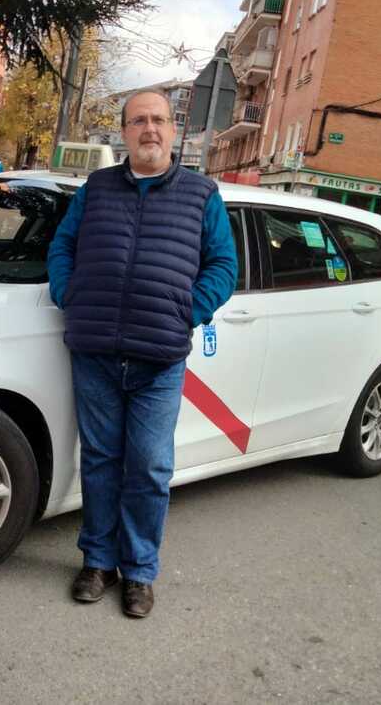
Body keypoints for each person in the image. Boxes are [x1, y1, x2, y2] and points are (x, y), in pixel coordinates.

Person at [46, 90, 238, 618]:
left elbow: (223, 266)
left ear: (173, 130)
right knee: (102, 462)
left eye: (157, 120)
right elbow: (62, 246)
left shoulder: (202, 194)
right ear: (124, 132)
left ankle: (139, 572)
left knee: (150, 467)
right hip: (96, 350)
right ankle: (98, 562)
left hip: (159, 355)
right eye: (138, 121)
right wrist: (70, 292)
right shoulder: (97, 188)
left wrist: (187, 310)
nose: (148, 129)